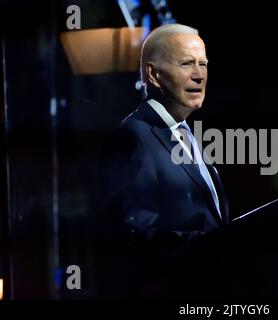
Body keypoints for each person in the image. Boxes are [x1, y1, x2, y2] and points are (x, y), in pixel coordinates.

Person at [96, 24, 229, 298]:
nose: (199, 75)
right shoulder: (134, 136)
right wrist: (211, 244)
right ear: (154, 75)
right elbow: (135, 229)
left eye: (203, 64)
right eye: (186, 63)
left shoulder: (187, 135)